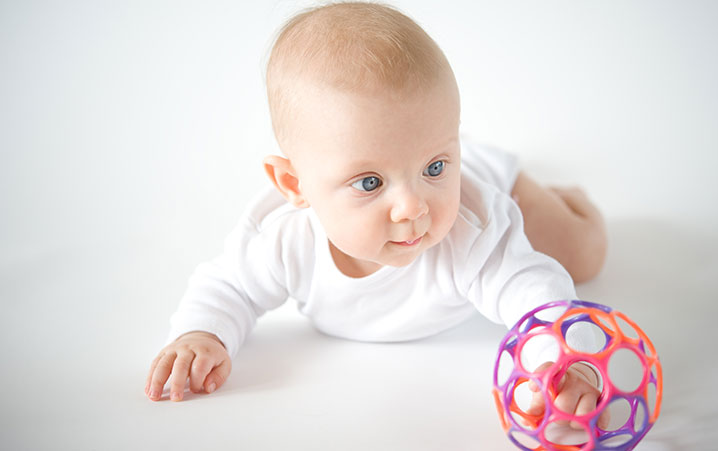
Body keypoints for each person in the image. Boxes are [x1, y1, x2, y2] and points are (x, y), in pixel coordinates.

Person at [145, 1, 607, 429]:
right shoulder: (283, 241)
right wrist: (201, 334)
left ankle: (561, 194)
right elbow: (229, 286)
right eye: (370, 182)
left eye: (434, 168)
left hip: (494, 180)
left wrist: (563, 363)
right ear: (294, 185)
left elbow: (536, 295)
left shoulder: (471, 228)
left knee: (581, 256)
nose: (413, 206)